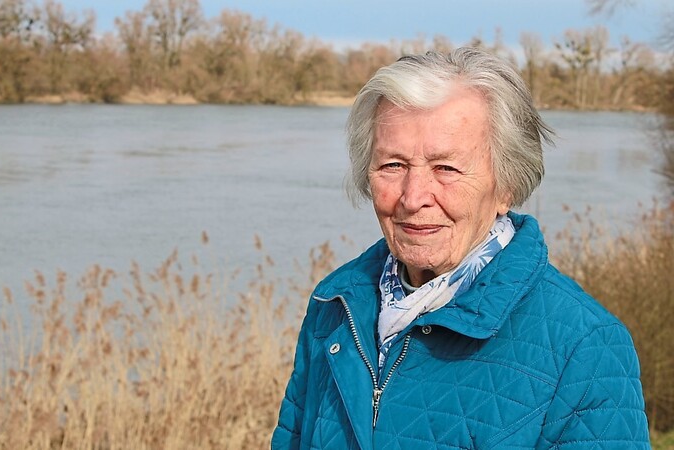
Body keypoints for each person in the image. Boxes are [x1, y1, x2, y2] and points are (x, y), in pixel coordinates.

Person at [272, 48, 650, 449]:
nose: (413, 197)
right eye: (393, 165)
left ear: (506, 184)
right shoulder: (335, 304)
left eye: (446, 168)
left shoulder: (584, 346)